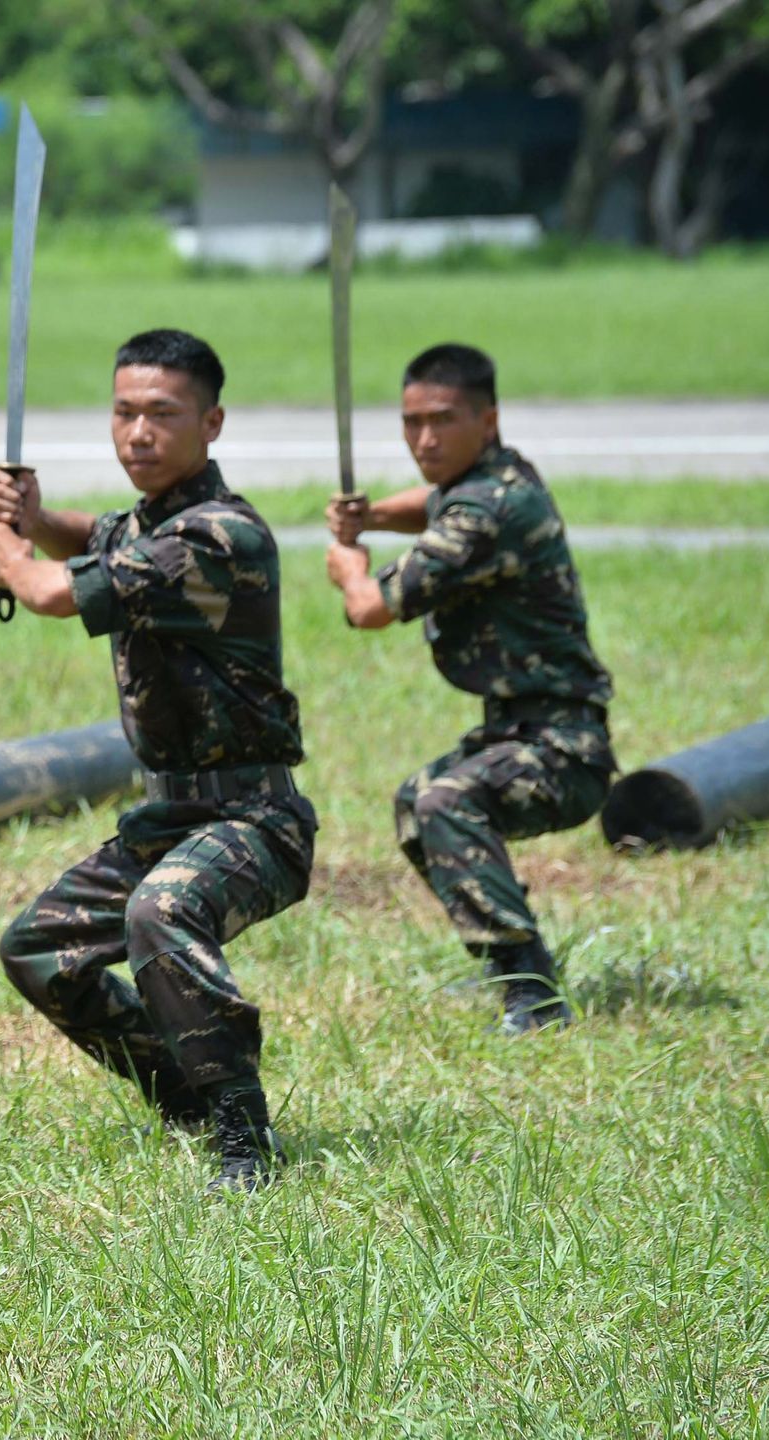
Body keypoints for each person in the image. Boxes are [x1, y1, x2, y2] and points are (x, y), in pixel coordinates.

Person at [0, 328, 317, 1194]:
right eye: (124, 413)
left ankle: (244, 1135)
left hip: (254, 816)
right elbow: (85, 537)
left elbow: (59, 588)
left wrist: (14, 558)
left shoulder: (218, 536)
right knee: (38, 949)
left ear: (211, 423)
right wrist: (32, 515)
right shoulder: (145, 526)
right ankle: (187, 1097)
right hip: (171, 813)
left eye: (161, 415)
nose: (137, 433)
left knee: (158, 915)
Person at [324, 343, 614, 1034]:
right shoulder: (498, 479)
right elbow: (431, 502)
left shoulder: (487, 515)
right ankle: (514, 969)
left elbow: (368, 608)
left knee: (446, 802)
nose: (424, 438)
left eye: (443, 420)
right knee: (412, 806)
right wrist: (370, 515)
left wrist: (348, 563)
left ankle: (533, 999)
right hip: (517, 728)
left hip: (562, 746)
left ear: (486, 421)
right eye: (411, 422)